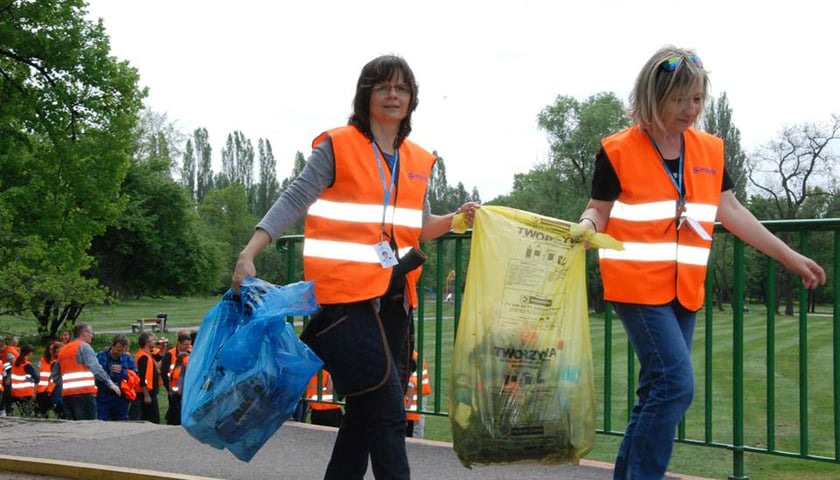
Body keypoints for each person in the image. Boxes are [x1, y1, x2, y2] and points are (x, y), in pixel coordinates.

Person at [575, 45, 826, 480]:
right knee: (675, 386)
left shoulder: (710, 150)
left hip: (684, 290)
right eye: (680, 100)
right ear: (653, 97)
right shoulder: (616, 150)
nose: (691, 110)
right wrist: (585, 223)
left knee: (656, 389)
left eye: (697, 99)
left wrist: (789, 257)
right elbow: (598, 208)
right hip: (636, 286)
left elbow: (733, 212)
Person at [232, 54, 479, 480]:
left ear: (412, 99)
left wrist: (456, 219)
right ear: (366, 95)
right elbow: (295, 197)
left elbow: (418, 227)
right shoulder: (338, 144)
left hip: (397, 297)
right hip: (345, 300)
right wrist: (249, 250)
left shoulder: (419, 160)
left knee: (365, 412)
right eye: (383, 86)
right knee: (385, 411)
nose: (392, 95)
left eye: (401, 88)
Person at [56, 323, 121, 420]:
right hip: (84, 394)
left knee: (74, 427)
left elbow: (55, 375)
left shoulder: (64, 349)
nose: (92, 335)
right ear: (84, 333)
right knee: (88, 426)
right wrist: (110, 383)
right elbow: (95, 368)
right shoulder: (84, 347)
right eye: (91, 332)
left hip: (67, 395)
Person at [95, 334, 137, 421]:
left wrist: (123, 372)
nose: (120, 353)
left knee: (121, 422)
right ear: (112, 346)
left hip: (121, 396)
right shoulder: (101, 356)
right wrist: (108, 369)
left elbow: (135, 373)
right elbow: (96, 372)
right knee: (101, 420)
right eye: (118, 350)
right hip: (104, 394)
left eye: (123, 351)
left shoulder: (127, 358)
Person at [129, 331, 161, 423]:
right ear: (147, 343)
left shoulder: (147, 354)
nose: (155, 341)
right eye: (153, 340)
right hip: (146, 392)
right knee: (152, 417)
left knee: (149, 416)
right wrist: (146, 395)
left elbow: (158, 356)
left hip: (150, 391)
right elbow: (142, 377)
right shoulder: (144, 357)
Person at [160, 330, 191, 425]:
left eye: (189, 344)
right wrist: (168, 388)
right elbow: (164, 373)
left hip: (186, 387)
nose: (187, 347)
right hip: (174, 388)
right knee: (174, 409)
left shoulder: (191, 352)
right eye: (185, 345)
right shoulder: (170, 354)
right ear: (179, 343)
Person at [404, 351, 430, 438]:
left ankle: (417, 445)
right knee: (414, 427)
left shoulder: (412, 357)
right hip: (416, 396)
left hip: (415, 397)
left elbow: (411, 383)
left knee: (416, 427)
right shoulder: (414, 356)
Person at [10, 343, 38, 415]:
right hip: (26, 393)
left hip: (15, 393)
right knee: (27, 414)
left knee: (22, 413)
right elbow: (37, 378)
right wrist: (30, 379)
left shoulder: (15, 363)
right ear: (30, 353)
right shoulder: (26, 364)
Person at [2, 335, 20, 416]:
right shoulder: (12, 350)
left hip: (9, 375)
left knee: (7, 394)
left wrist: (8, 378)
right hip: (13, 374)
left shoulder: (8, 351)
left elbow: (13, 363)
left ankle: (9, 412)